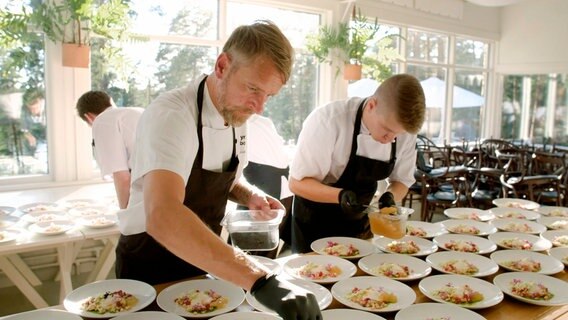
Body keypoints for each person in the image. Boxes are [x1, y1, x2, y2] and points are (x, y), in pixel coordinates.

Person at [116, 20, 321, 320]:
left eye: (269, 95)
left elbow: (229, 180)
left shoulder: (236, 115)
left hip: (204, 265)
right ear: (222, 65)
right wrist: (260, 279)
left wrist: (251, 195)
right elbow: (162, 214)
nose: (259, 106)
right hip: (151, 270)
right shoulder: (172, 114)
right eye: (253, 88)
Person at [288, 73, 426, 253]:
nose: (390, 139)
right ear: (371, 105)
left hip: (360, 225)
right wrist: (340, 195)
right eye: (386, 130)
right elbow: (297, 183)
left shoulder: (403, 130)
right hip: (314, 223)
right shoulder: (328, 120)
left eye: (397, 135)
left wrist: (390, 196)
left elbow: (402, 181)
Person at [76, 91, 144, 209]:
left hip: (148, 189)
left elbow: (122, 177)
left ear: (89, 117)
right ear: (110, 102)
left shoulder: (102, 120)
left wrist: (124, 211)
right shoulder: (138, 111)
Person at [237, 114, 293, 254]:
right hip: (281, 189)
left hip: (268, 189)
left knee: (253, 254)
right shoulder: (262, 121)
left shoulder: (244, 122)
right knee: (258, 252)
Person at [20, 89, 46, 159]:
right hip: (34, 136)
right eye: (29, 109)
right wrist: (28, 135)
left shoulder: (50, 108)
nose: (32, 112)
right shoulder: (24, 109)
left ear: (41, 101)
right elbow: (23, 128)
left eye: (34, 108)